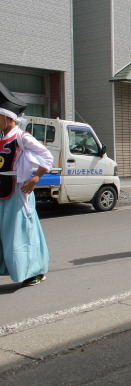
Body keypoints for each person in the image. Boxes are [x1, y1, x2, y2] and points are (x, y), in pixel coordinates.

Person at [0, 83, 53, 287]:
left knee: (22, 230)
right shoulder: (1, 137)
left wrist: (35, 178)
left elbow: (47, 157)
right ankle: (10, 268)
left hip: (18, 189)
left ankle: (34, 272)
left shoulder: (22, 137)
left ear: (8, 117)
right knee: (4, 231)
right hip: (2, 187)